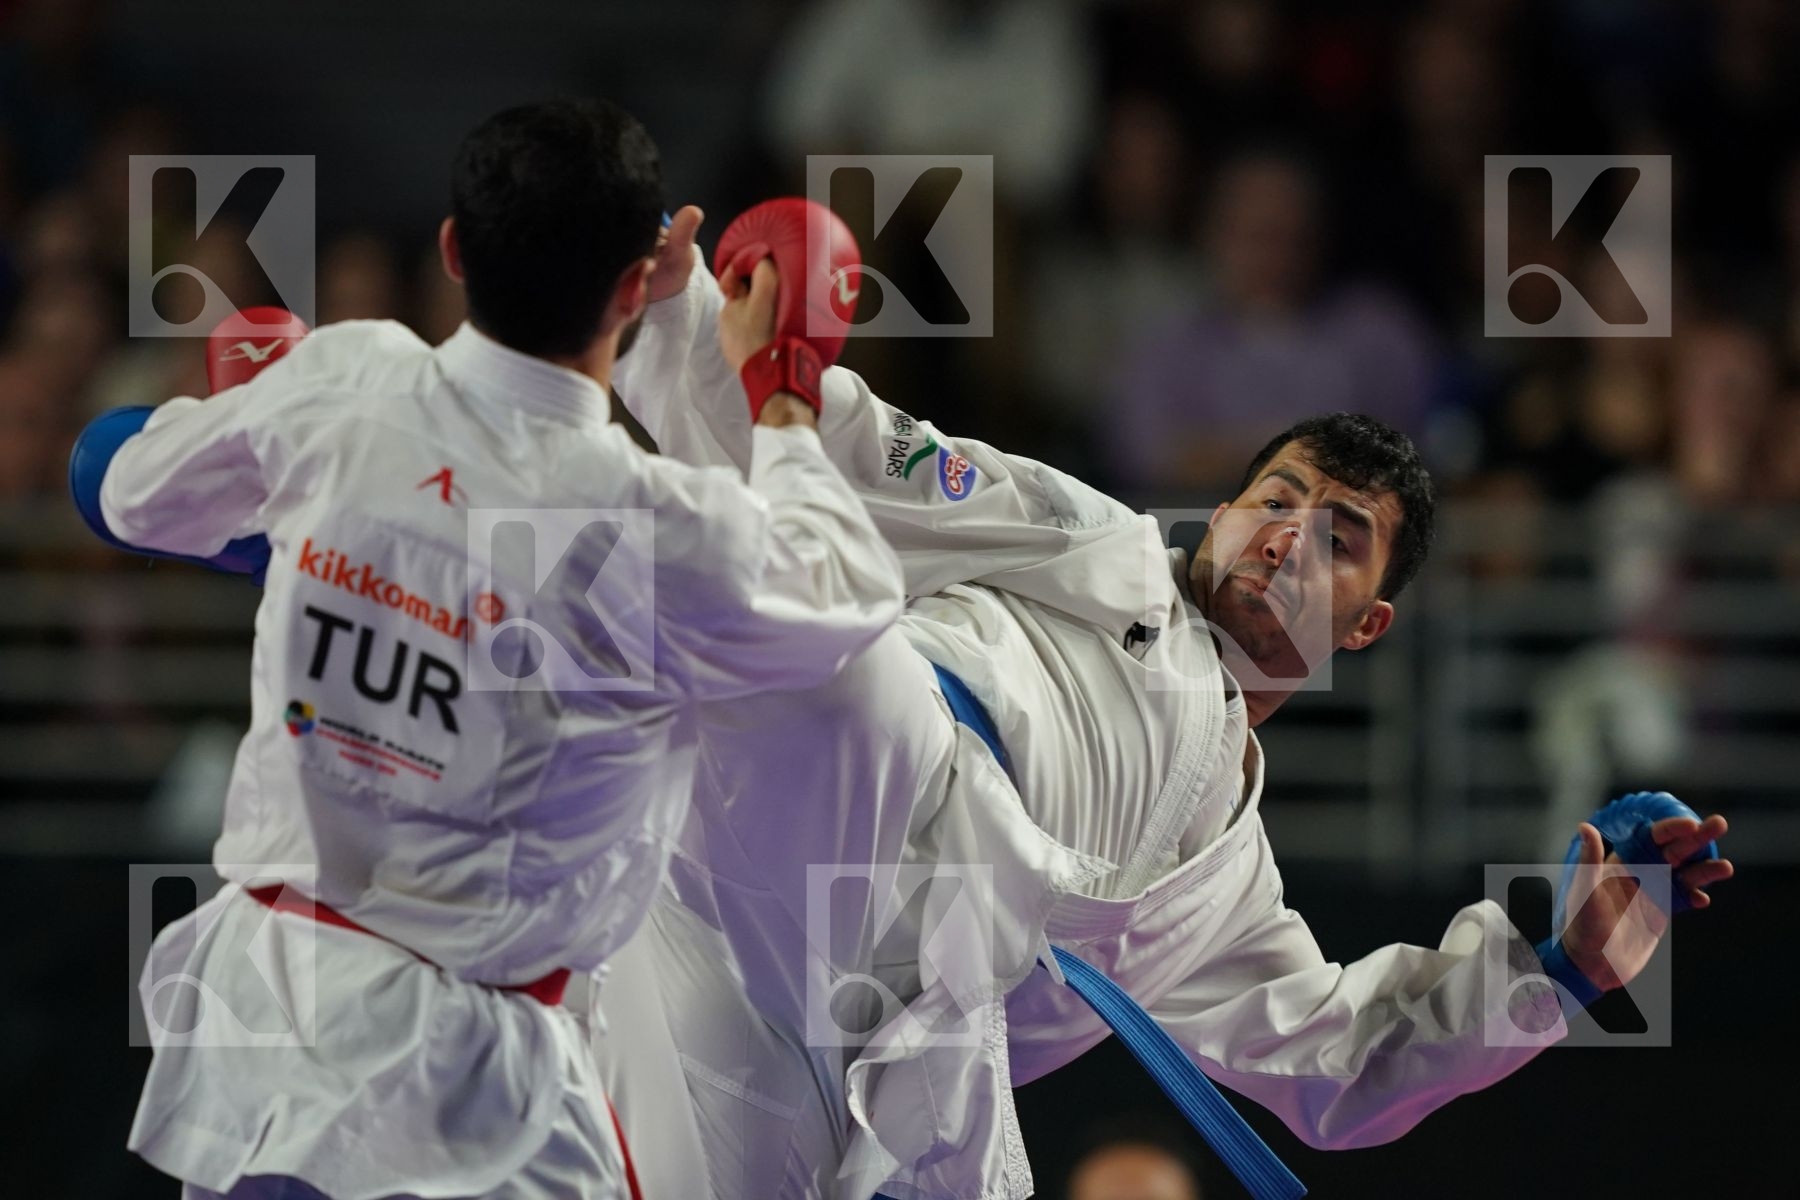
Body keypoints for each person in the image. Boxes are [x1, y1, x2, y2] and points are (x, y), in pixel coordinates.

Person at [593, 207, 1734, 1200]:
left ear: (1367, 623)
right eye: (1275, 499)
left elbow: (1351, 1060)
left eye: (1339, 540)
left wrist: (1559, 973)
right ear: (1222, 514)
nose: (1287, 536)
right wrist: (670, 306)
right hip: (830, 782)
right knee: (840, 650)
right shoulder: (1093, 545)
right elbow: (865, 451)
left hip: (826, 1043)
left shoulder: (1224, 899)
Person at [79, 100, 902, 1200]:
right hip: (468, 1107)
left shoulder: (345, 381)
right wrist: (780, 383)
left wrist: (279, 476)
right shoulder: (647, 524)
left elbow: (117, 484)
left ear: (454, 250)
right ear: (636, 282)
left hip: (261, 1034)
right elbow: (849, 586)